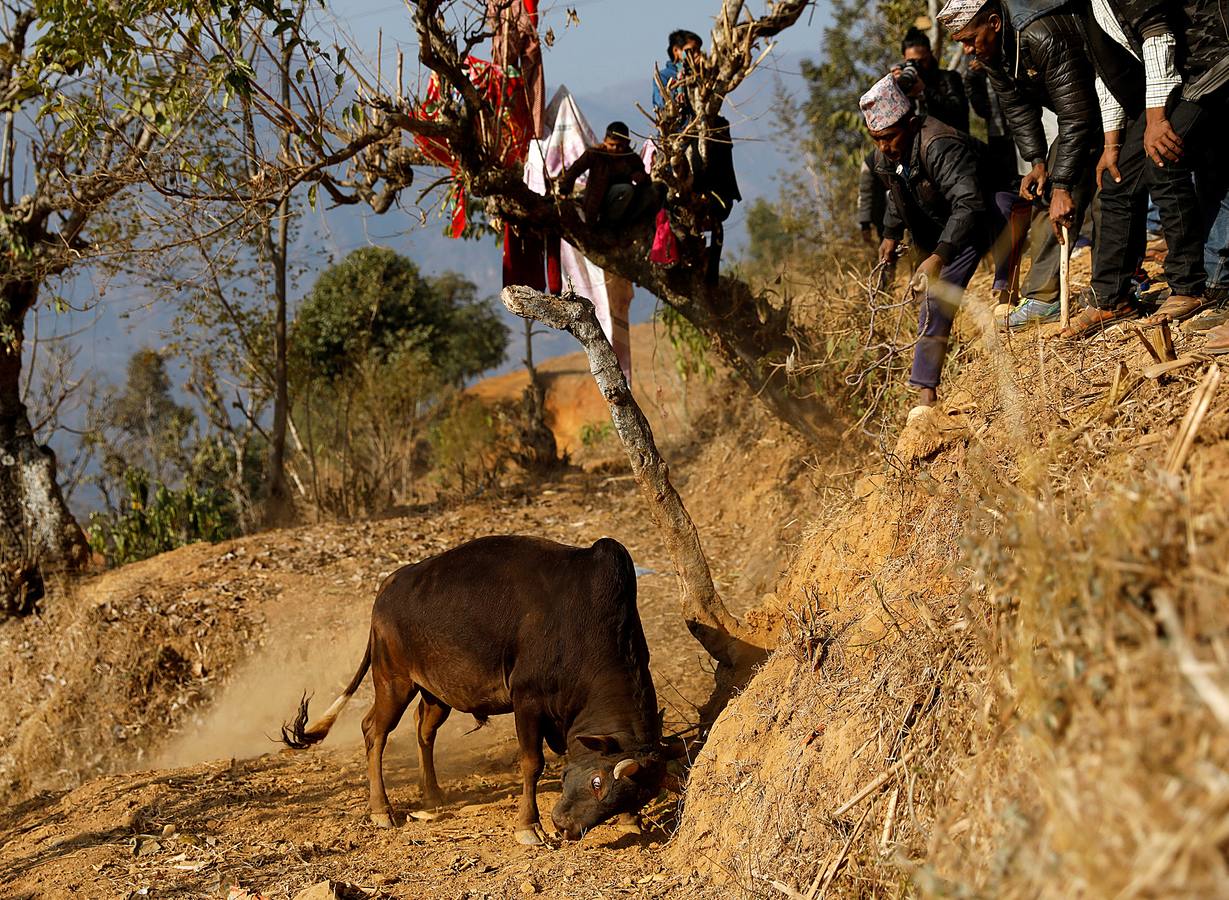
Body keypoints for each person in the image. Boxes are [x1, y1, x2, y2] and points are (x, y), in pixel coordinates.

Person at [860, 73, 1020, 412]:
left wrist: (939, 255)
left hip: (989, 206)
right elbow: (896, 197)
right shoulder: (884, 158)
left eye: (888, 137)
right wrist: (890, 234)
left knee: (1007, 210)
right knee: (936, 298)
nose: (883, 147)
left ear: (911, 123)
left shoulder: (939, 144)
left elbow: (970, 202)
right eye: (876, 139)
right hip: (956, 220)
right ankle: (926, 395)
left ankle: (1008, 293)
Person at [941, 0, 1102, 327]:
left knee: (1099, 195)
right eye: (962, 44)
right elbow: (1017, 107)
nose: (969, 51)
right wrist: (1038, 162)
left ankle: (1112, 288)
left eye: (971, 39)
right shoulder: (991, 53)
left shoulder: (1040, 34)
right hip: (1082, 114)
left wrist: (1062, 184)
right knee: (1046, 194)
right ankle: (1046, 297)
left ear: (994, 23)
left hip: (1109, 104)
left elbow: (1077, 114)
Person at [1058, 0, 1209, 337]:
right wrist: (1112, 145)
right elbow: (1106, 72)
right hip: (1170, 85)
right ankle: (1113, 299)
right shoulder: (1081, 7)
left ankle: (1189, 287)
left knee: (1162, 159)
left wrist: (1156, 118)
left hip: (1202, 69)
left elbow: (1158, 37)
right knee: (1116, 179)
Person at [557, 122, 654, 227]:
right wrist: (564, 190)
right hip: (593, 202)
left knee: (629, 190)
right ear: (605, 141)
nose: (615, 149)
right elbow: (575, 170)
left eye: (620, 146)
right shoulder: (595, 153)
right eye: (612, 145)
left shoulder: (632, 159)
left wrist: (641, 178)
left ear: (627, 143)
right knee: (625, 189)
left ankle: (611, 224)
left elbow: (646, 182)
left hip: (619, 207)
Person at [898, 26, 970, 132]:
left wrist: (925, 91)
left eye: (921, 61)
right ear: (904, 58)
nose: (918, 66)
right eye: (911, 62)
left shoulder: (949, 78)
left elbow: (959, 113)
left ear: (930, 54)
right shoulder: (903, 82)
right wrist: (895, 88)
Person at [652, 29, 702, 116]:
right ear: (676, 51)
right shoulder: (663, 76)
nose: (697, 54)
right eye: (692, 50)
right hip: (679, 128)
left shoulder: (701, 75)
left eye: (698, 50)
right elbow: (661, 103)